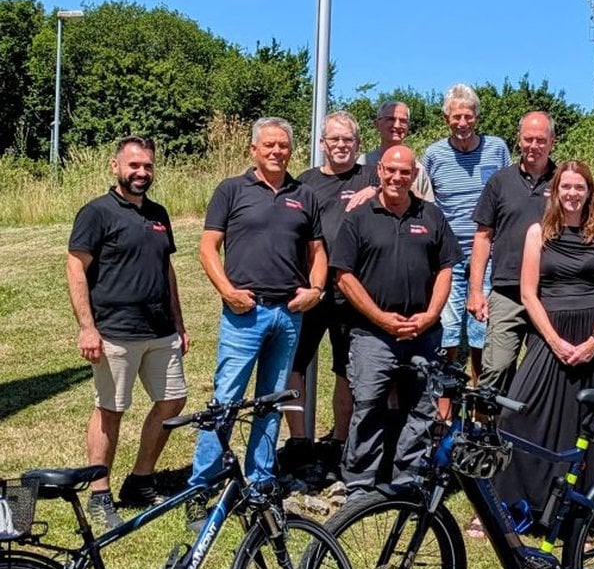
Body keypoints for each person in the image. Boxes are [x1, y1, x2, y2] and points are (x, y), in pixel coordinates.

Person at [187, 117, 326, 531]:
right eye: (269, 145)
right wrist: (228, 291)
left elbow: (318, 251)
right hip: (244, 313)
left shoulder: (304, 195)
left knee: (271, 402)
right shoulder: (231, 190)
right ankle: (201, 489)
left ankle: (261, 483)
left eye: (283, 145)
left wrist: (316, 289)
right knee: (226, 401)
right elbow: (208, 248)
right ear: (253, 150)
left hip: (288, 314)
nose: (277, 151)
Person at [493, 160, 594, 523]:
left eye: (579, 187)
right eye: (566, 186)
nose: (572, 193)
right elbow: (527, 293)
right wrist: (553, 340)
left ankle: (590, 513)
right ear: (555, 191)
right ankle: (518, 504)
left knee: (592, 426)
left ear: (589, 192)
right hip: (549, 335)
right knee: (518, 415)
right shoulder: (538, 232)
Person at [67, 135, 188, 530]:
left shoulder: (159, 213)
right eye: (134, 165)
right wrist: (87, 327)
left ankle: (140, 480)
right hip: (115, 332)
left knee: (173, 400)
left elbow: (167, 270)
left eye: (148, 166)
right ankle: (99, 493)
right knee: (111, 410)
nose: (141, 172)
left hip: (160, 330)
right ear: (115, 166)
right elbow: (75, 267)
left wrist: (179, 323)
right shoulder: (96, 213)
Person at [331, 145, 462, 498]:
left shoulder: (431, 216)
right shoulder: (359, 217)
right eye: (391, 170)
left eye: (405, 172)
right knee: (368, 406)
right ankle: (360, 485)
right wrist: (381, 318)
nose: (397, 177)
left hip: (423, 333)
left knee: (421, 409)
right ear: (380, 171)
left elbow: (446, 269)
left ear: (414, 175)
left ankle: (409, 481)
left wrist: (431, 315)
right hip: (373, 334)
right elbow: (343, 275)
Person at [281, 111, 376, 484]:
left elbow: (408, 189)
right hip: (310, 289)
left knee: (345, 369)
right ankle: (299, 442)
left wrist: (376, 190)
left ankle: (339, 442)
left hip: (352, 291)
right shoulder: (304, 183)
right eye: (334, 139)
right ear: (322, 143)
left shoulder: (370, 176)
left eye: (347, 139)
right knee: (294, 363)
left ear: (358, 143)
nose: (340, 145)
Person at [422, 84, 510, 383]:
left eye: (468, 116)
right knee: (447, 328)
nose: (462, 123)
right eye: (456, 116)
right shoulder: (434, 155)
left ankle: (479, 397)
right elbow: (425, 202)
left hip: (487, 253)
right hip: (448, 254)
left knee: (481, 329)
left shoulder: (496, 149)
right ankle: (445, 397)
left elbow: (509, 193)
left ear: (477, 117)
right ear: (446, 118)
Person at [467, 110, 557, 393]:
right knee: (497, 368)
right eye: (528, 139)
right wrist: (476, 291)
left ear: (552, 142)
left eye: (540, 140)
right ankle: (486, 421)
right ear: (519, 139)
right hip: (507, 290)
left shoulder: (563, 183)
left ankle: (528, 421)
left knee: (543, 371)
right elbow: (483, 237)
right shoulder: (499, 181)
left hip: (550, 291)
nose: (534, 146)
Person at [359, 99, 434, 201]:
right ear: (376, 124)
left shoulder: (417, 169)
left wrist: (414, 195)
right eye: (390, 119)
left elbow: (428, 206)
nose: (397, 125)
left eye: (403, 121)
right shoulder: (362, 163)